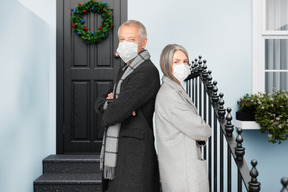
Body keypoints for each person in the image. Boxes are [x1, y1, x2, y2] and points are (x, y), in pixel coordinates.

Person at [95, 20, 160, 192]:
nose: (125, 44)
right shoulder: (125, 70)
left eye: (131, 39)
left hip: (134, 155)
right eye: (122, 39)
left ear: (143, 43)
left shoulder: (146, 71)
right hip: (121, 152)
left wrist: (114, 104)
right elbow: (100, 101)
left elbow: (112, 114)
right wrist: (113, 103)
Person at [155, 44, 212, 192]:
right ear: (166, 65)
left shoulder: (176, 89)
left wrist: (197, 134)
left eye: (185, 61)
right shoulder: (170, 94)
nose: (183, 65)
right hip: (182, 169)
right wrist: (202, 131)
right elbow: (200, 128)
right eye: (177, 62)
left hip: (182, 165)